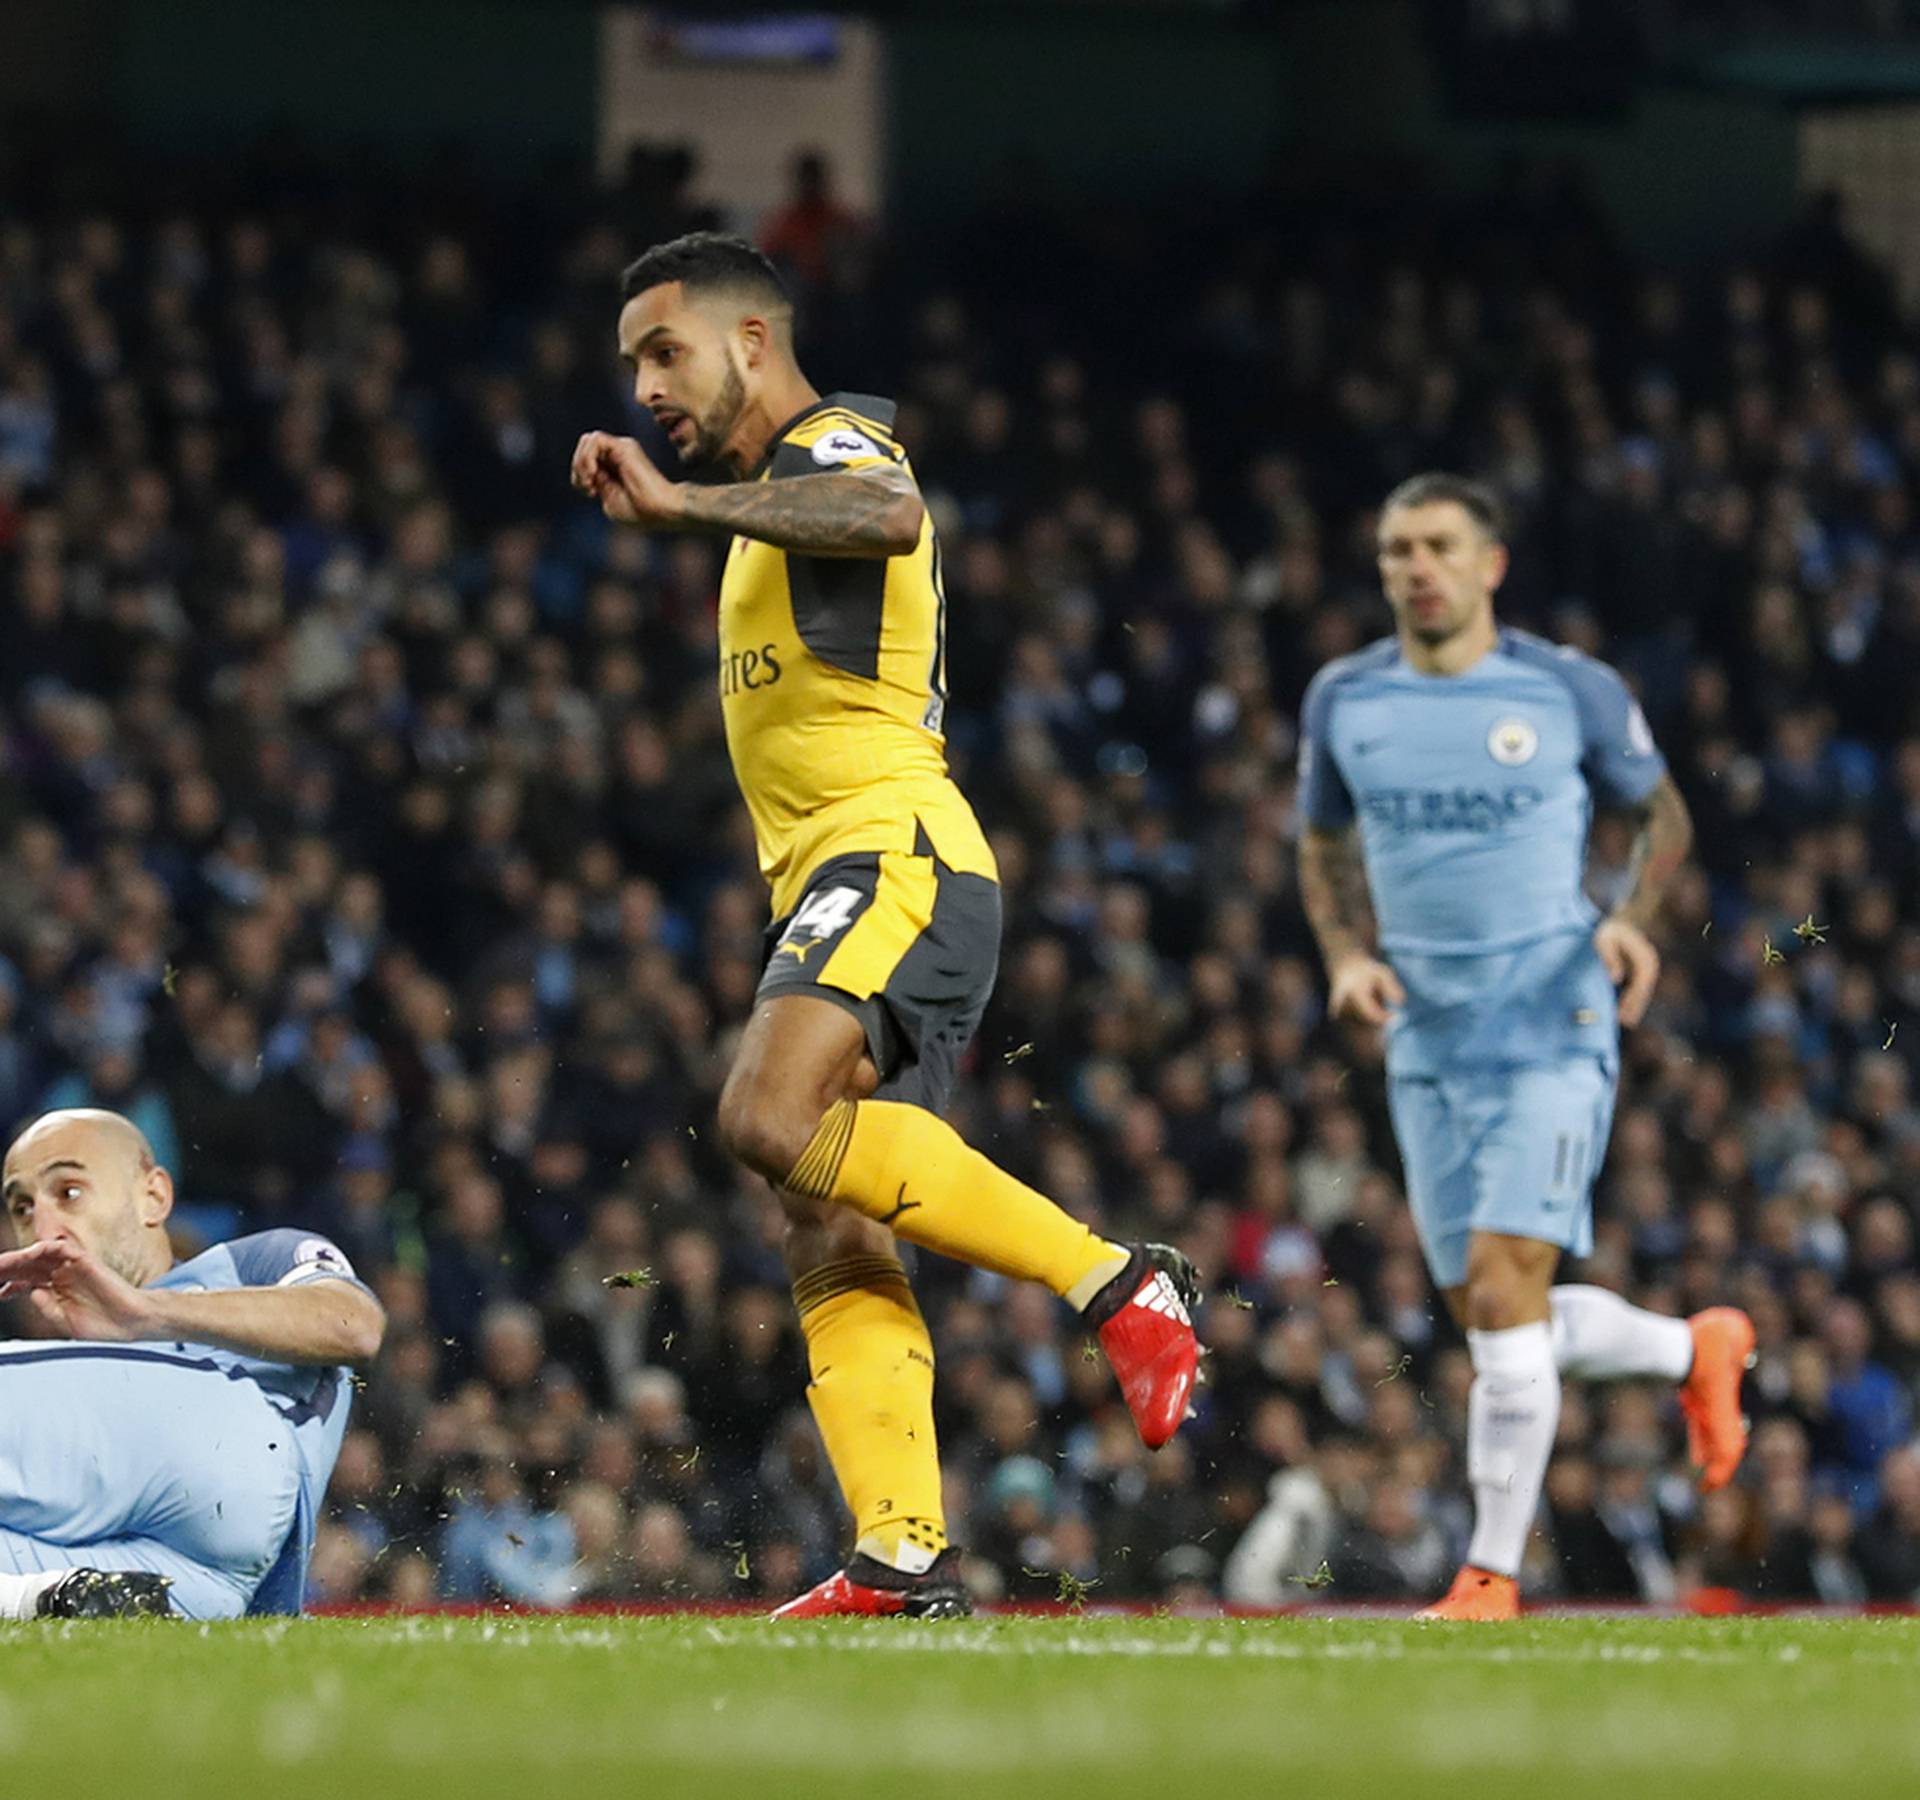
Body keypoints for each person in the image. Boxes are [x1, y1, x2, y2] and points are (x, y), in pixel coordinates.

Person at [570, 232, 1198, 1618]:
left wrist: (681, 508)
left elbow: (890, 519)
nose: (644, 386)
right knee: (827, 1213)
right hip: (836, 875)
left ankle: (1117, 1282)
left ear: (748, 340)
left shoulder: (837, 444)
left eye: (662, 352)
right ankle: (899, 1549)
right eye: (630, 366)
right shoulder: (766, 500)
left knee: (761, 1114)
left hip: (893, 850)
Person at [1296, 472, 1751, 1621]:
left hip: (1552, 1022)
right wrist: (1349, 952)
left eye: (1440, 546)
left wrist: (1631, 925)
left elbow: (1667, 816)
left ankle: (1491, 1572)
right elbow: (1320, 843)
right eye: (1398, 548)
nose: (1417, 568)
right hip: (1425, 1040)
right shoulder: (1345, 698)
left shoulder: (1565, 689)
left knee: (1504, 1296)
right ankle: (1693, 1350)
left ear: (1490, 564)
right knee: (1502, 1315)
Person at [0, 1108, 384, 1620]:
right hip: (208, 1582)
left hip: (232, 1438)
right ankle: (37, 1597)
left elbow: (354, 1325)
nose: (43, 1228)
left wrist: (147, 1313)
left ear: (154, 1195)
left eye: (69, 1192)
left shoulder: (252, 1262)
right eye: (22, 1209)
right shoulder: (62, 1362)